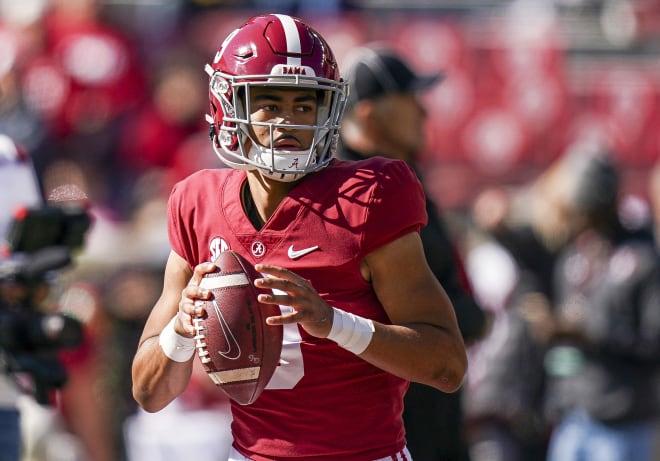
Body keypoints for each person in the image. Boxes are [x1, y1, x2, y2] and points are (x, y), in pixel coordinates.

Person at [131, 13, 467, 461]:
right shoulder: (197, 203)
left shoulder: (369, 196)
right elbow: (149, 393)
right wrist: (181, 329)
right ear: (228, 105)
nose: (288, 122)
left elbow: (446, 365)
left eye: (304, 105)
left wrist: (333, 322)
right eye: (269, 104)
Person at [337, 44, 486, 460]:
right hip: (388, 428)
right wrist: (467, 317)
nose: (424, 113)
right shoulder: (341, 191)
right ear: (370, 112)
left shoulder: (403, 176)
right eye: (410, 99)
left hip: (435, 410)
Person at [540, 139, 660, 461]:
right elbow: (564, 352)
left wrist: (590, 333)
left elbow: (653, 343)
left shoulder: (643, 258)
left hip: (623, 422)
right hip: (573, 417)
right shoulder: (573, 260)